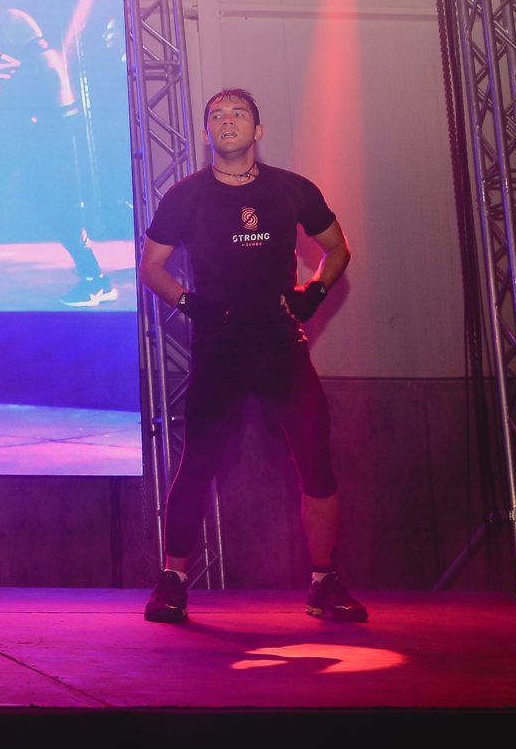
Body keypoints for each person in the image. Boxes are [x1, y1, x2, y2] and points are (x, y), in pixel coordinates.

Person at [139, 88, 365, 624]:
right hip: (220, 347)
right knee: (197, 464)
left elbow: (338, 248)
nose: (227, 120)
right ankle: (172, 581)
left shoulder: (292, 189)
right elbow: (150, 267)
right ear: (207, 134)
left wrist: (315, 291)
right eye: (216, 115)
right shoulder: (186, 196)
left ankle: (325, 582)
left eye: (238, 113)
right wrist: (189, 303)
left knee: (316, 463)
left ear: (257, 131)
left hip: (281, 345)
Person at [0, 0, 114, 308]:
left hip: (34, 128)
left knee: (51, 203)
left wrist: (67, 110)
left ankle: (95, 280)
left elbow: (50, 63)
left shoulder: (11, 21)